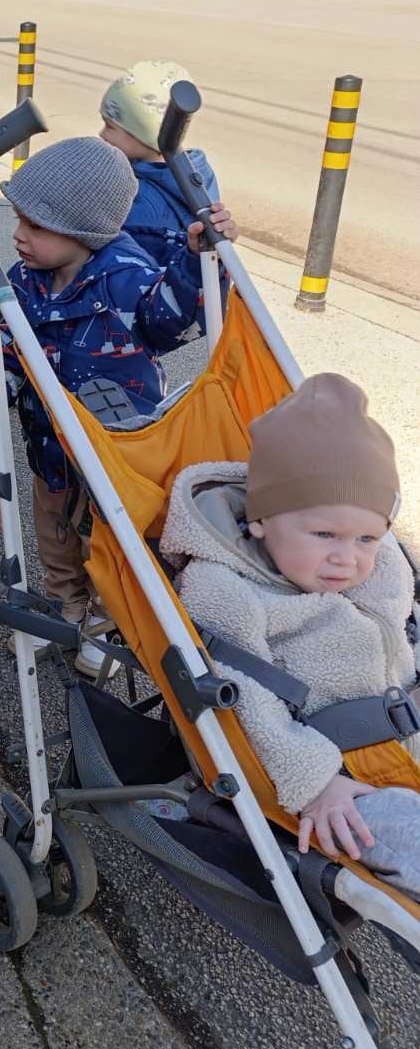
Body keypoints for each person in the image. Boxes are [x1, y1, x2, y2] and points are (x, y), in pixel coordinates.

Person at [162, 375, 419, 896]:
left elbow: (398, 632)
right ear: (260, 520)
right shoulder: (224, 589)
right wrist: (315, 780)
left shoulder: (379, 567)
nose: (347, 557)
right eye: (324, 535)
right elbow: (245, 700)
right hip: (342, 773)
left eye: (367, 537)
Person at [0, 137, 215, 673]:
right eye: (19, 220)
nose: (18, 236)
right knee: (53, 533)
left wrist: (195, 261)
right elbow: (6, 340)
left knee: (107, 538)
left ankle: (103, 617)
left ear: (83, 232)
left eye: (35, 226)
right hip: (50, 441)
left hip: (115, 447)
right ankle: (64, 606)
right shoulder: (26, 278)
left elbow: (170, 320)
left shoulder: (127, 276)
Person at [99, 59, 238, 276]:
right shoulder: (198, 173)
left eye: (109, 126)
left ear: (142, 131)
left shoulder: (131, 188)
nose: (102, 134)